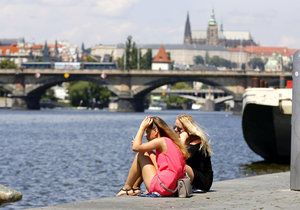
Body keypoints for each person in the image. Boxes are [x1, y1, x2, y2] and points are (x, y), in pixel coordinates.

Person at [116, 116, 189, 197]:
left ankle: (126, 188)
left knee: (140, 155)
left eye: (147, 132)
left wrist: (142, 128)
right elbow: (159, 169)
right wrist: (142, 148)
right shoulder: (170, 142)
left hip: (163, 187)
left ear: (155, 130)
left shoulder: (161, 141)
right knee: (146, 152)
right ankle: (135, 188)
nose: (145, 135)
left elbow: (135, 147)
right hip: (173, 189)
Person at [174, 114, 213, 192]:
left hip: (203, 181)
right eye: (174, 127)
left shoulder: (197, 143)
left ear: (188, 129)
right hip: (192, 176)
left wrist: (182, 141)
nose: (175, 130)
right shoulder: (187, 142)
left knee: (181, 165)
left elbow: (179, 159)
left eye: (179, 128)